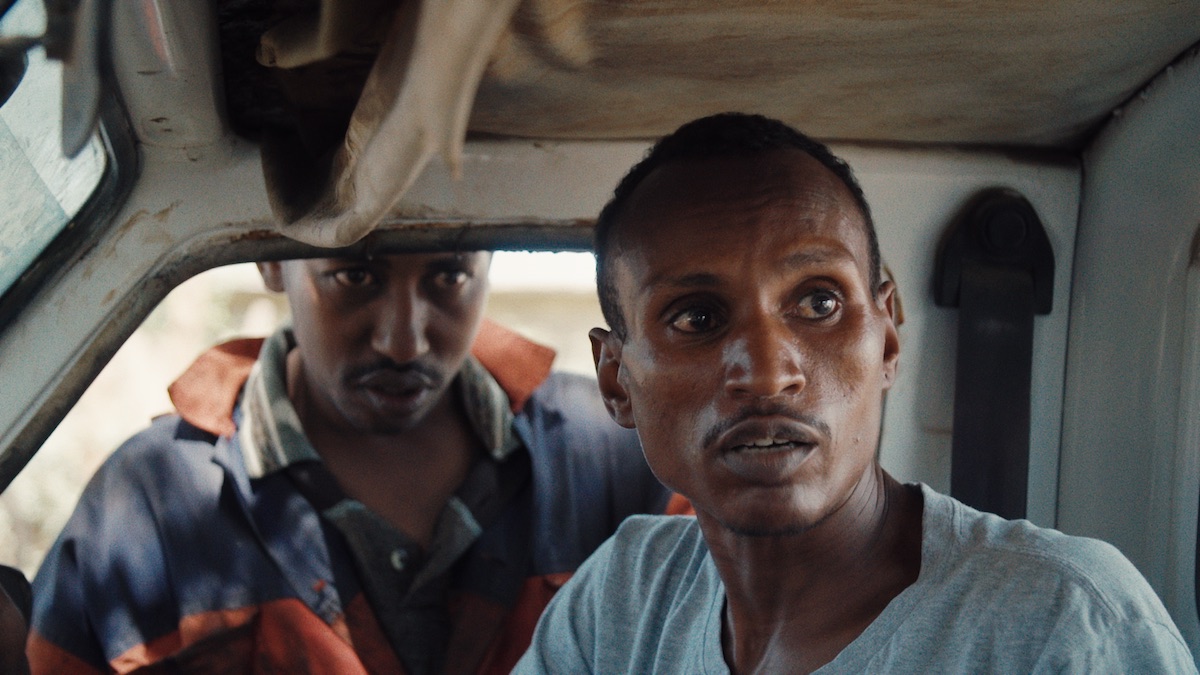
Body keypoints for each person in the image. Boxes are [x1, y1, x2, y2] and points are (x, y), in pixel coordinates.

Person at [515, 113, 1197, 673]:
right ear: (616, 380)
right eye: (696, 317)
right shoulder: (622, 602)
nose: (766, 371)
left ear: (888, 341)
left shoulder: (1068, 624)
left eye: (817, 302)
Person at [28, 251, 679, 674]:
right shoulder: (147, 507)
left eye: (448, 274)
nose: (403, 339)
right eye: (356, 273)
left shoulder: (615, 457)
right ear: (272, 260)